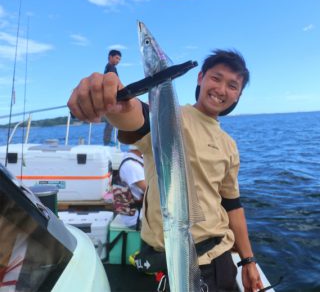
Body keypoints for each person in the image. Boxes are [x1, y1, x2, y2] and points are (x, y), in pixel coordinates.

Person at [68, 49, 263, 292]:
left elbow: (232, 205)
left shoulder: (228, 144)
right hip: (176, 263)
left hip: (222, 259)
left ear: (239, 95)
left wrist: (248, 260)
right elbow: (137, 116)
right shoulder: (169, 115)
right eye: (216, 78)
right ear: (200, 77)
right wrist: (116, 105)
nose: (222, 89)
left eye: (233, 85)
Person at [115, 144, 146, 228]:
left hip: (139, 212)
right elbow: (149, 190)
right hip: (136, 217)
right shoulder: (131, 165)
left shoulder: (132, 159)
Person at [103, 49, 122, 145]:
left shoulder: (108, 68)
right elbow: (114, 84)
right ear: (110, 57)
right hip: (111, 98)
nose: (118, 61)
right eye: (117, 58)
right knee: (111, 122)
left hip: (109, 98)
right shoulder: (111, 68)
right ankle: (107, 142)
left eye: (119, 59)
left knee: (110, 122)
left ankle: (107, 141)